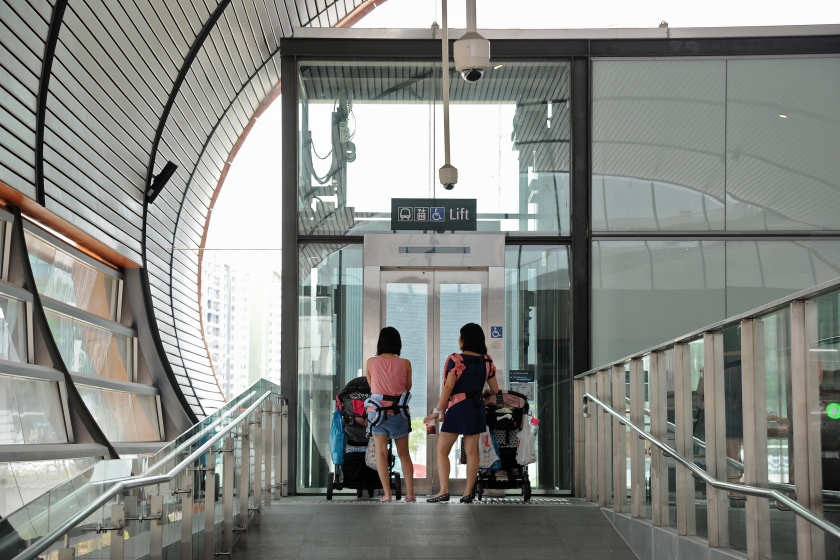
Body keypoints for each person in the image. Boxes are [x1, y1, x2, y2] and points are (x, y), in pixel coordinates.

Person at [424, 323, 500, 503]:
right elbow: (495, 390)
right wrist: (484, 394)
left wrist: (436, 411)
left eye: (460, 336)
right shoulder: (487, 361)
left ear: (465, 339)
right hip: (477, 408)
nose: (459, 340)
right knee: (472, 451)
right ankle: (468, 493)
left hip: (458, 408)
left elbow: (449, 387)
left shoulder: (456, 359)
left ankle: (443, 490)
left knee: (442, 450)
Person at [365, 326, 416, 502]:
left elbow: (372, 388)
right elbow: (408, 387)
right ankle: (410, 494)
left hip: (377, 414)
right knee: (404, 454)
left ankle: (387, 494)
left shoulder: (371, 362)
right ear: (397, 343)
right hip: (398, 413)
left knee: (381, 453)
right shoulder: (405, 363)